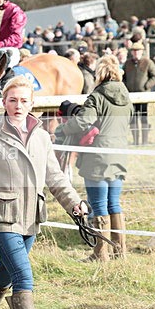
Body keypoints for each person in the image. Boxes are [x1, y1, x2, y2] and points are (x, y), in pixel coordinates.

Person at [0, 75, 87, 309]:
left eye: (24, 101)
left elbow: (55, 177)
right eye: (12, 100)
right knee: (23, 274)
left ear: (32, 103)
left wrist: (74, 203)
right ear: (4, 103)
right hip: (0, 215)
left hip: (31, 216)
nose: (18, 106)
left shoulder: (42, 136)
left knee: (4, 273)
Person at [60, 55, 133, 262]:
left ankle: (101, 254)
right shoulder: (126, 96)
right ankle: (120, 252)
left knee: (99, 205)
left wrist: (64, 128)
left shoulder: (97, 97)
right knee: (114, 204)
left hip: (98, 156)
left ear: (99, 73)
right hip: (119, 155)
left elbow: (84, 121)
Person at [123, 41, 155, 145]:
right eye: (134, 51)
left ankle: (144, 141)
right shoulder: (128, 63)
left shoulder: (148, 62)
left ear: (142, 51)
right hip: (131, 96)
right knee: (133, 119)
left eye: (138, 51)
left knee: (143, 118)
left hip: (143, 96)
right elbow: (123, 77)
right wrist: (125, 87)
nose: (136, 53)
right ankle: (135, 141)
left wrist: (146, 86)